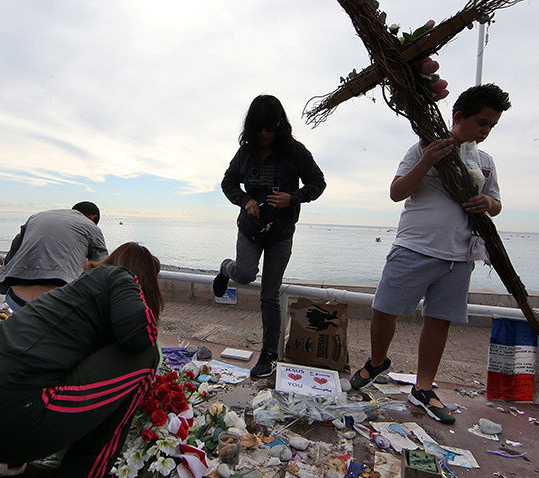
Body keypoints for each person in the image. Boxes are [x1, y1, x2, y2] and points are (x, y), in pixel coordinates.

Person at [0, 242, 163, 478]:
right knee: (145, 356)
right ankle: (83, 476)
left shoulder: (72, 294)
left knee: (34, 373)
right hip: (5, 415)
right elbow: (140, 338)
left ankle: (2, 459)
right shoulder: (122, 277)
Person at [349, 84, 510, 425]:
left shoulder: (485, 163)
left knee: (438, 321)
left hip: (459, 254)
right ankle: (377, 362)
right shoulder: (423, 147)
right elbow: (397, 192)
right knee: (383, 310)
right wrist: (427, 161)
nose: (485, 131)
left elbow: (496, 203)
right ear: (458, 117)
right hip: (414, 246)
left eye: (492, 126)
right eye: (482, 122)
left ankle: (423, 388)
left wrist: (489, 203)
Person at [213, 95, 326, 378]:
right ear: (251, 128)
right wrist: (244, 200)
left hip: (281, 233)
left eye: (269, 128)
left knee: (270, 295)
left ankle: (269, 354)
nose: (264, 134)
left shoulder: (295, 151)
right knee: (246, 274)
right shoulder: (245, 153)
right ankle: (226, 268)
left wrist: (295, 197)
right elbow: (227, 183)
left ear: (279, 125)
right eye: (259, 128)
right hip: (250, 229)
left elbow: (318, 182)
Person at [0, 202, 108, 311]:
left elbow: (14, 248)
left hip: (15, 297)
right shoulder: (91, 227)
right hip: (56, 304)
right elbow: (101, 269)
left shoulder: (36, 217)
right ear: (93, 218)